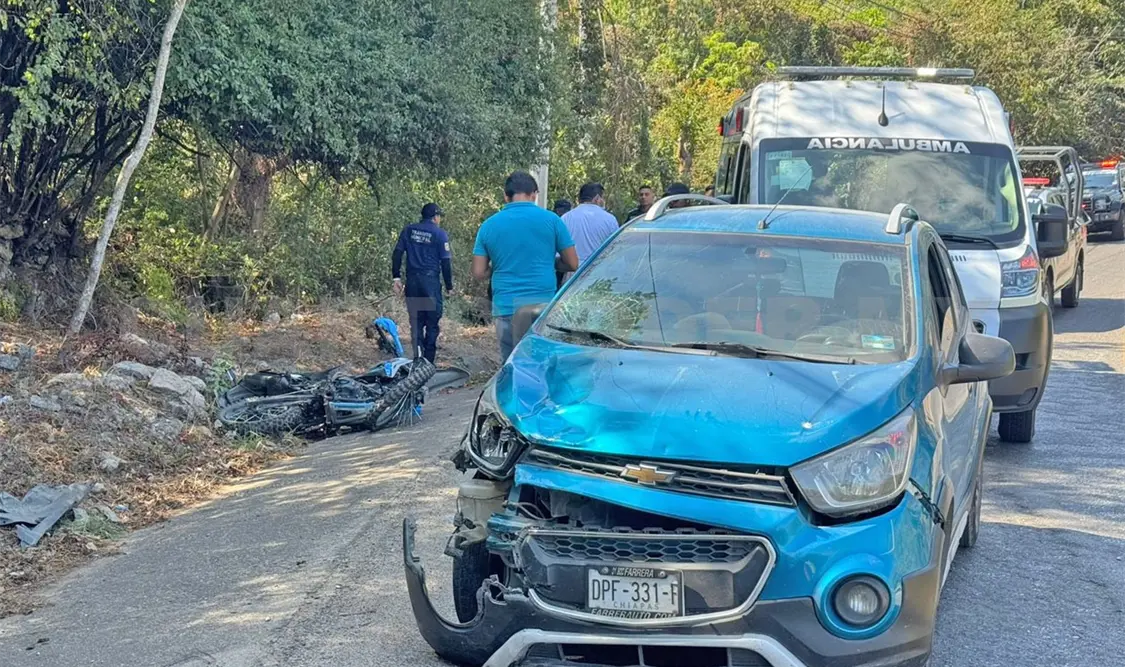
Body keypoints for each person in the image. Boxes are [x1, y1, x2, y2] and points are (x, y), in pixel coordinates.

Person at [473, 172, 579, 361]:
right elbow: (572, 263)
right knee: (540, 364)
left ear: (506, 196)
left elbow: (479, 272)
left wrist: (497, 267)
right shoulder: (553, 220)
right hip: (541, 305)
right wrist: (551, 262)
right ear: (534, 194)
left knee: (511, 364)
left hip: (505, 306)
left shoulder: (488, 225)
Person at [392, 203, 453, 364]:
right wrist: (449, 286)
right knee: (432, 324)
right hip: (430, 284)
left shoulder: (409, 230)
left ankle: (418, 360)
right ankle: (428, 363)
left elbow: (397, 254)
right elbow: (446, 263)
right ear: (435, 217)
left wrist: (396, 277)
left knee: (416, 323)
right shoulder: (440, 234)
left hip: (412, 283)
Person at [562, 183, 618, 268]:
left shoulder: (566, 218)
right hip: (598, 271)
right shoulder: (610, 219)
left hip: (572, 274)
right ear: (597, 198)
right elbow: (615, 249)